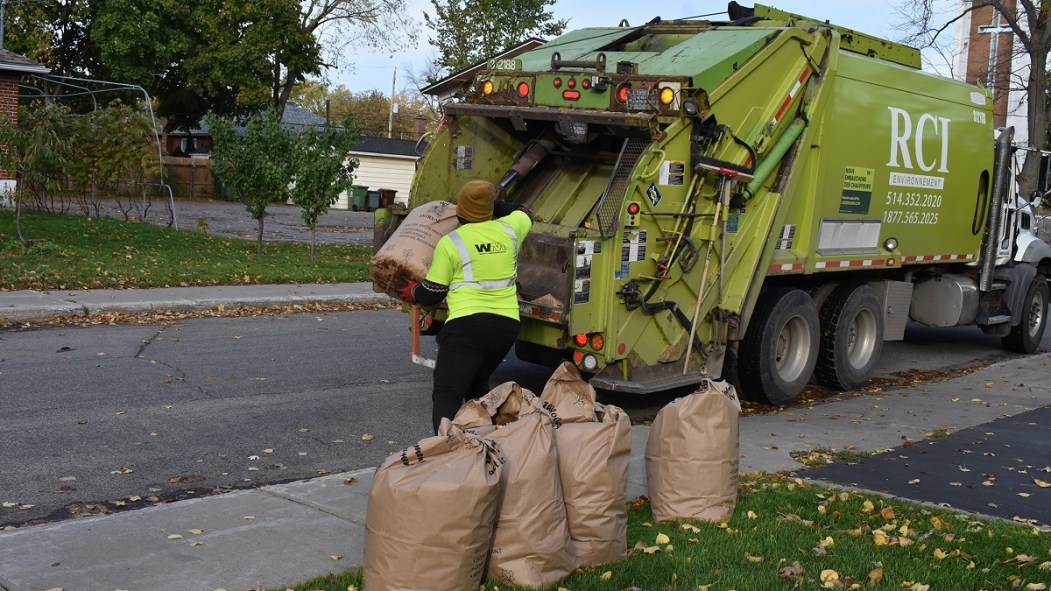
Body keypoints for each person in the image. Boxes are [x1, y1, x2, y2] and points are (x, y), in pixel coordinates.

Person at [399, 179, 533, 433]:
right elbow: (525, 212)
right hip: (505, 328)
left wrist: (411, 291)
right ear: (490, 209)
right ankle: (489, 445)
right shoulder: (510, 230)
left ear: (461, 211)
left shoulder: (452, 242)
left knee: (447, 394)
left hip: (467, 329)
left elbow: (431, 294)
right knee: (475, 388)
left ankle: (444, 453)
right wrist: (492, 205)